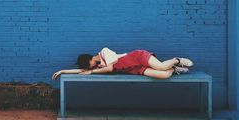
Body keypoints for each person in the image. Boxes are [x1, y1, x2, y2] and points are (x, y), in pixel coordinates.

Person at [52, 47, 193, 80]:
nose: (89, 68)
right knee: (165, 75)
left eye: (87, 65)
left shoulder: (104, 51)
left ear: (90, 59)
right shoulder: (98, 66)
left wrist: (92, 72)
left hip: (138, 57)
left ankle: (177, 60)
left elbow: (111, 68)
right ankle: (175, 68)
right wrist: (62, 71)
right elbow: (81, 72)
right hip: (134, 69)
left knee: (161, 66)